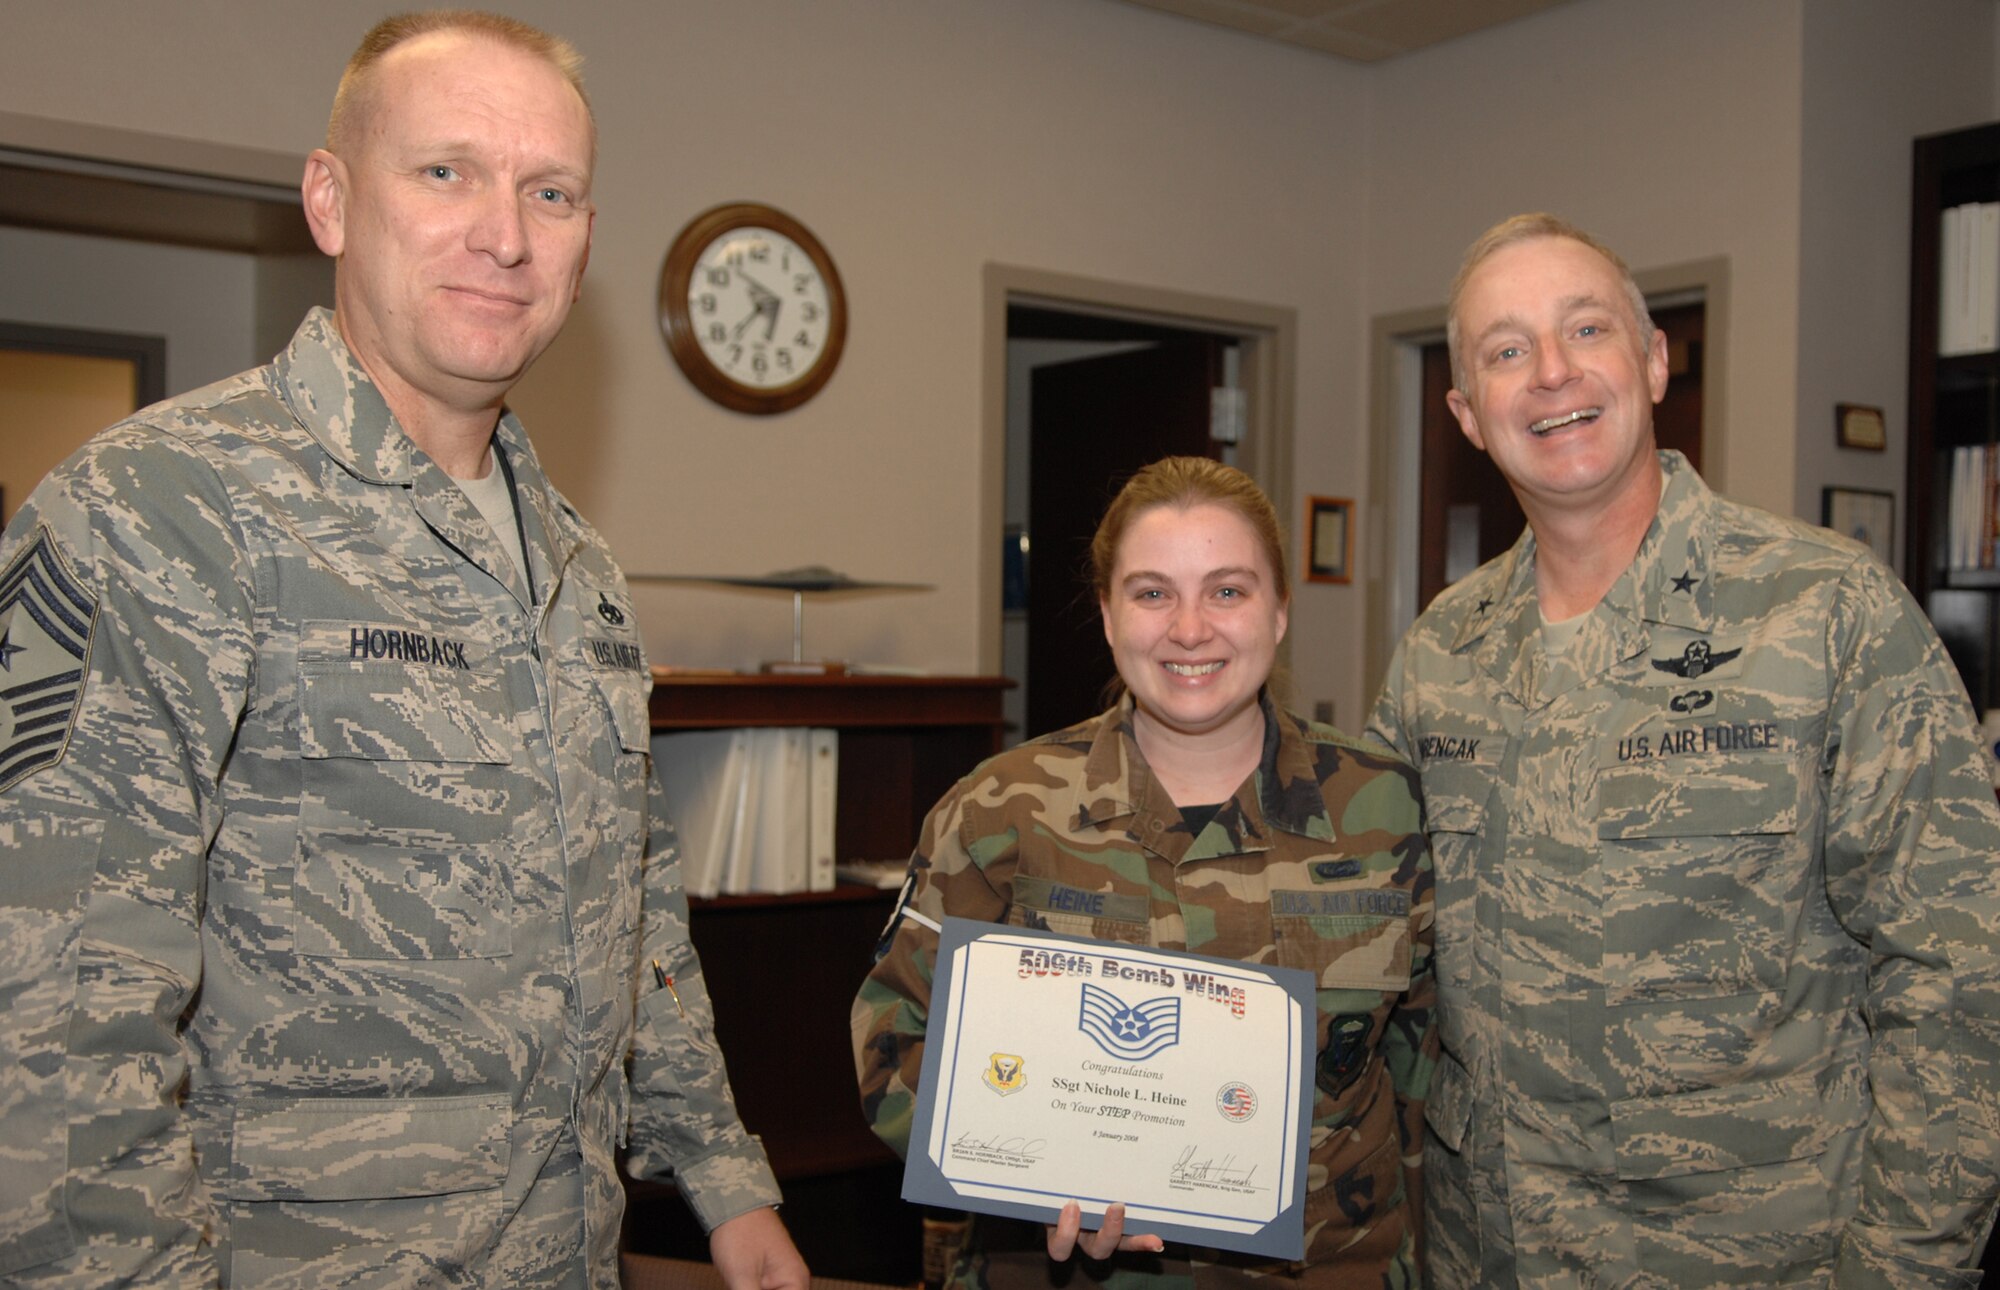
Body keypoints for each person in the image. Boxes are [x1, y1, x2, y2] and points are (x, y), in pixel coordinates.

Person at [0, 12, 807, 1288]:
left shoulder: (577, 568)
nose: (505, 233)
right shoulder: (158, 510)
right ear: (329, 199)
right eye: (447, 172)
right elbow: (48, 1019)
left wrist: (719, 1179)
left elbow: (633, 910)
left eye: (551, 191)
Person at [1367, 212, 2000, 1286]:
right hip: (1492, 1255)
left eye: (1585, 329)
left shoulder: (1823, 612)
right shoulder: (1439, 655)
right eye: (1505, 350)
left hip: (1760, 1257)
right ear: (1466, 413)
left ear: (1652, 361)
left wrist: (1904, 1267)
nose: (1551, 373)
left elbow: (1957, 967)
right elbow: (1365, 947)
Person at [854, 456, 1436, 1288]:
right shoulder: (998, 811)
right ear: (1106, 613)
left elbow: (1427, 1065)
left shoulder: (1383, 805)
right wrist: (1031, 1180)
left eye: (1228, 591)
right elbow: (893, 1040)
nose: (1190, 629)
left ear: (1279, 612)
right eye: (1153, 592)